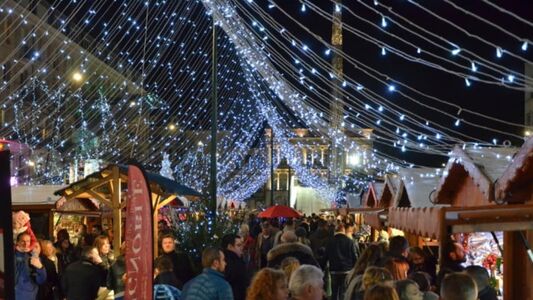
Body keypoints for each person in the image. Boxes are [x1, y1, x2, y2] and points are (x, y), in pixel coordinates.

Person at [325, 222, 357, 300]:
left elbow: (326, 256)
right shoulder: (350, 241)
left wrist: (322, 267)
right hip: (346, 271)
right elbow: (354, 257)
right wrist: (354, 269)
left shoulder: (330, 241)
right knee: (343, 292)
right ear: (343, 230)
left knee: (334, 292)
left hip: (334, 271)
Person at [15, 232, 47, 300]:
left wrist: (41, 268)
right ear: (17, 242)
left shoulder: (33, 257)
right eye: (22, 241)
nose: (25, 244)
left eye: (28, 241)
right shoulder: (12, 256)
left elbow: (41, 280)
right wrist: (19, 253)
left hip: (31, 295)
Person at [221, 233, 250, 300]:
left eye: (242, 244)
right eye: (239, 245)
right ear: (230, 247)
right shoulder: (236, 264)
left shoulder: (224, 260)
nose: (242, 247)